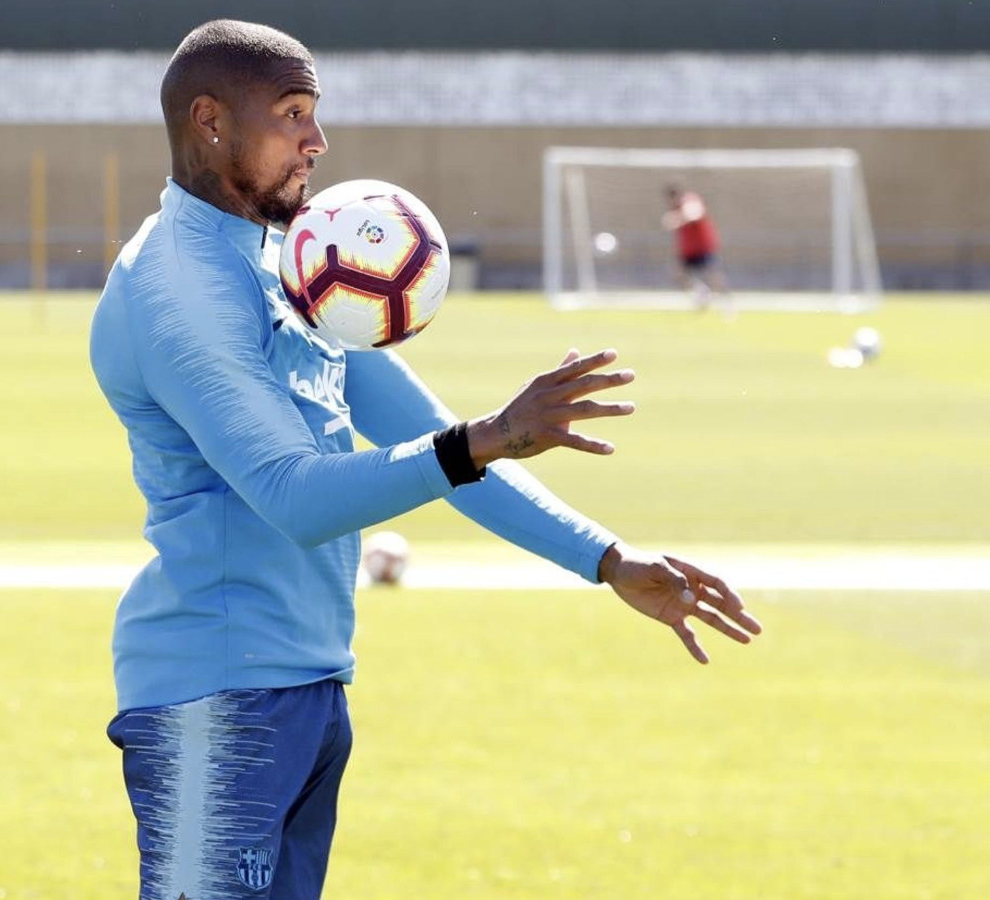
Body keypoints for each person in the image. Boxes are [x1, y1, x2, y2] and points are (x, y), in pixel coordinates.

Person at [89, 20, 762, 900]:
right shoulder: (176, 285)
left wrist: (605, 558)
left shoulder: (292, 266)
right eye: (293, 114)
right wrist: (483, 438)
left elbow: (441, 440)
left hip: (308, 691)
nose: (317, 141)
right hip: (214, 706)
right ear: (210, 121)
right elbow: (296, 496)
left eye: (316, 115)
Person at [661, 184, 728, 307]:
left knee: (713, 276)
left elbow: (694, 215)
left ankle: (725, 302)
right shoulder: (675, 209)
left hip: (703, 247)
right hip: (688, 250)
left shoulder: (690, 201)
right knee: (679, 275)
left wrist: (677, 219)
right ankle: (702, 292)